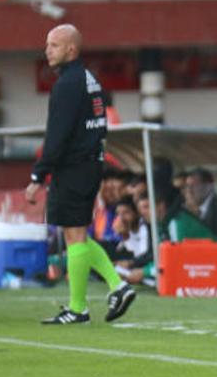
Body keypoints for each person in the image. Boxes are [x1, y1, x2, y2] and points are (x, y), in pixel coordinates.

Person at [25, 24, 135, 324]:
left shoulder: (67, 84)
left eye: (54, 45)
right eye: (48, 44)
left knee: (74, 235)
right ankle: (116, 287)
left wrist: (38, 175)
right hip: (89, 164)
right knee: (79, 235)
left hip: (73, 167)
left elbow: (57, 134)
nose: (47, 50)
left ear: (71, 49)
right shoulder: (89, 79)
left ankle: (80, 307)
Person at [184, 167, 217, 243]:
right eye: (187, 186)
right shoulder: (186, 210)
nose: (189, 190)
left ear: (208, 187)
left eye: (194, 185)